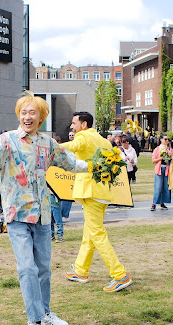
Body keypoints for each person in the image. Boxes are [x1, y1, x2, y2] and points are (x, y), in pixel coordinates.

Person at [0, 92, 88, 325]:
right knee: (27, 268)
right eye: (23, 112)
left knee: (43, 268)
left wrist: (96, 164)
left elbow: (70, 162)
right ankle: (34, 321)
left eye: (32, 112)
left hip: (42, 215)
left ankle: (45, 313)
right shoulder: (6, 140)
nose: (27, 116)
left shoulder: (47, 143)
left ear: (41, 117)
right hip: (16, 214)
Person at [62, 111, 132, 292]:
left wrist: (53, 146)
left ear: (83, 124)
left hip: (91, 191)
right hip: (102, 191)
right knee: (90, 233)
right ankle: (80, 270)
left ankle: (120, 275)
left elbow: (74, 144)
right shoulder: (103, 140)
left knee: (97, 233)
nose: (72, 126)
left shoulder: (84, 136)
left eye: (74, 123)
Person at [150, 135, 173, 211]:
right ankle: (154, 203)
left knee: (165, 187)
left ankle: (162, 202)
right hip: (159, 169)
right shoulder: (157, 149)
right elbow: (153, 160)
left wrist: (170, 156)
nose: (167, 141)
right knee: (158, 187)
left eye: (168, 139)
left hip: (167, 169)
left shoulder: (169, 149)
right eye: (165, 139)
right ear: (161, 140)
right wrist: (161, 158)